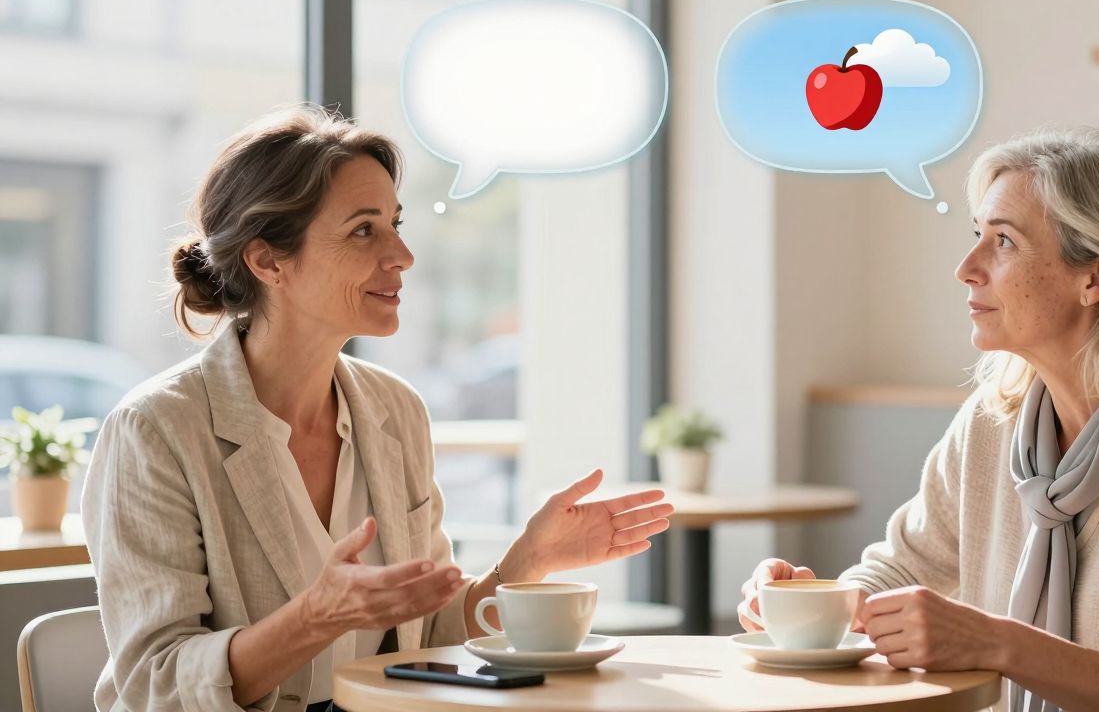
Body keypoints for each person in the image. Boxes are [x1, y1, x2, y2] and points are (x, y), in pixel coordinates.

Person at [81, 104, 674, 712]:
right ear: (267, 261)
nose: (403, 255)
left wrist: (526, 562)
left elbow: (431, 630)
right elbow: (156, 684)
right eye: (365, 230)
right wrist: (315, 618)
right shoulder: (156, 429)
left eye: (395, 222)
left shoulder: (395, 409)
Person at [739, 127, 1099, 712]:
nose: (966, 267)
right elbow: (902, 568)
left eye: (1003, 242)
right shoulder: (993, 421)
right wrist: (818, 604)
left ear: (1096, 277)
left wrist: (997, 644)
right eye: (977, 235)